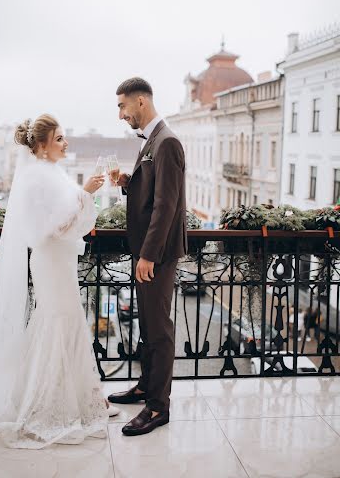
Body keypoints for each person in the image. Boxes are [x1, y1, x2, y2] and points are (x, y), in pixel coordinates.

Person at [0, 114, 118, 448]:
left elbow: (66, 220)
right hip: (51, 261)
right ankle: (49, 403)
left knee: (68, 324)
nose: (66, 143)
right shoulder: (37, 177)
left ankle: (82, 398)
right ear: (42, 145)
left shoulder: (51, 171)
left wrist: (82, 195)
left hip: (59, 262)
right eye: (61, 138)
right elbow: (50, 228)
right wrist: (86, 193)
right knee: (57, 322)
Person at [108, 78, 187, 436]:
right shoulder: (152, 140)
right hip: (146, 252)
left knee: (159, 330)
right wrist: (128, 181)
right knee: (147, 328)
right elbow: (151, 189)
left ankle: (158, 407)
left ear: (141, 101)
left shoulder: (167, 141)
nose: (122, 115)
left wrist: (149, 256)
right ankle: (145, 387)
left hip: (157, 254)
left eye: (123, 107)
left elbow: (166, 205)